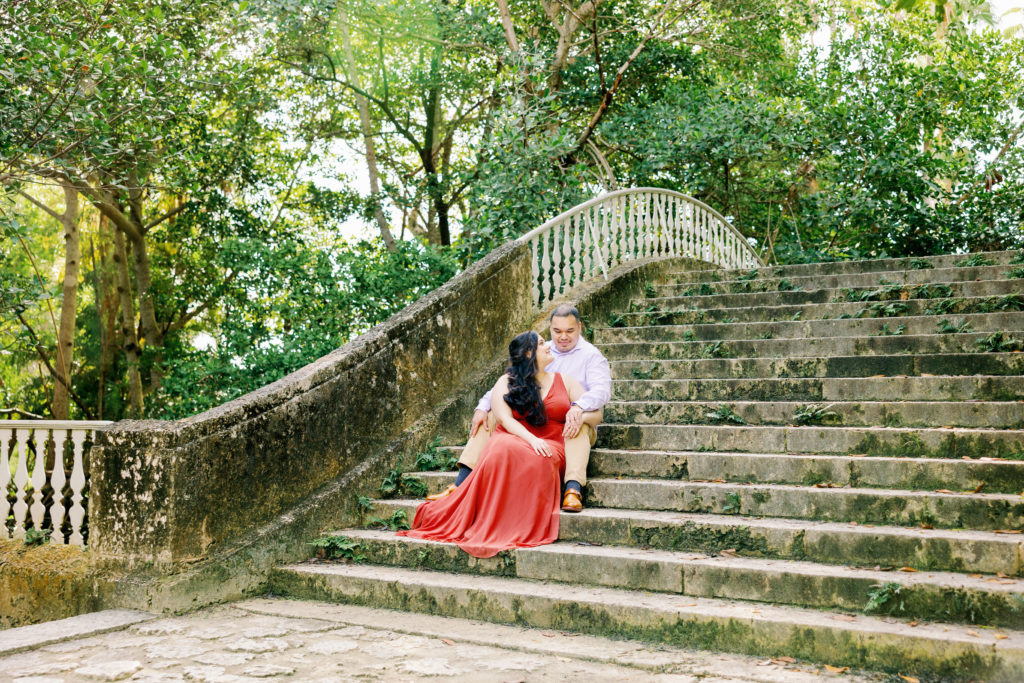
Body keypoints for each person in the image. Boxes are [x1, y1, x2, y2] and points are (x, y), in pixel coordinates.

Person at [398, 331, 586, 558]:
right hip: (520, 437)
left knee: (533, 456)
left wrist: (578, 410)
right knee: (501, 445)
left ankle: (549, 499)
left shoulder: (565, 380)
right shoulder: (506, 381)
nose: (549, 346)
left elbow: (594, 409)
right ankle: (464, 486)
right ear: (528, 353)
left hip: (553, 443)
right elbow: (505, 419)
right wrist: (531, 439)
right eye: (542, 343)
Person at [427, 304, 611, 512]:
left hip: (571, 420)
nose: (563, 337)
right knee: (488, 417)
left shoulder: (592, 356)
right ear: (550, 328)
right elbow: (511, 381)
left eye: (569, 331)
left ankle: (573, 489)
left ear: (579, 327)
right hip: (534, 418)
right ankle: (460, 484)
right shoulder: (543, 349)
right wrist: (482, 407)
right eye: (557, 331)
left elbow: (601, 393)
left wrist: (578, 408)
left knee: (577, 423)